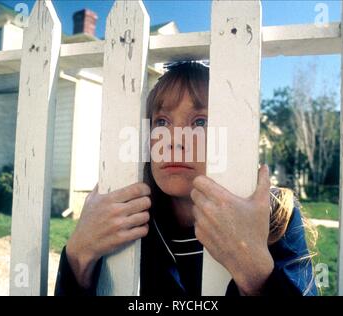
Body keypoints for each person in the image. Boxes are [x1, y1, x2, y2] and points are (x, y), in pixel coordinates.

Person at [55, 61, 317, 296]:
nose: (174, 141)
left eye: (200, 122)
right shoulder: (121, 215)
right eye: (162, 121)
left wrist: (255, 273)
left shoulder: (276, 214)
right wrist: (78, 254)